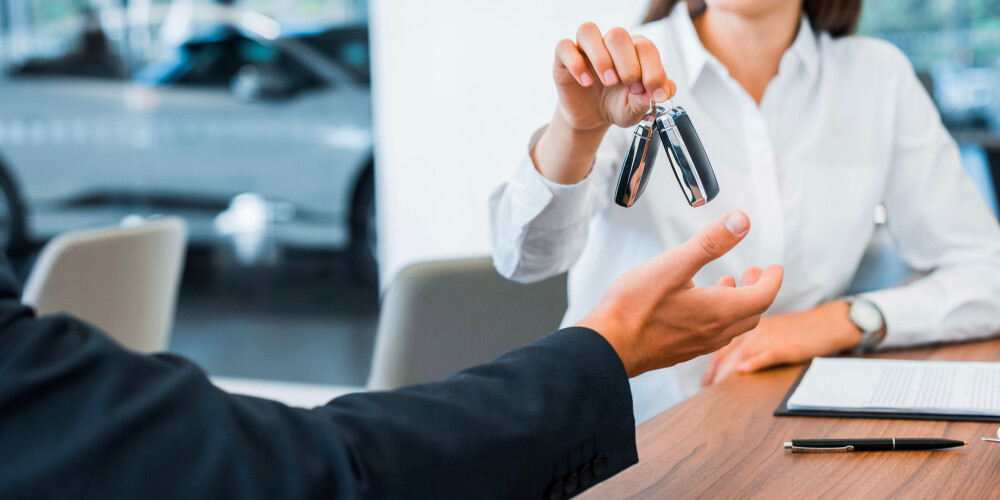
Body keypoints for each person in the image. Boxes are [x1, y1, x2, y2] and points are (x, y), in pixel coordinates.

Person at [0, 213, 782, 499]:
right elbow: (299, 472)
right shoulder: (628, 61)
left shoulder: (869, 77)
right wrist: (605, 349)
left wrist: (824, 323)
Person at [488, 0, 1000, 422]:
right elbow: (525, 257)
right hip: (624, 435)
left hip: (781, 429)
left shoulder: (877, 77)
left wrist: (839, 321)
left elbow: (988, 275)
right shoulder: (616, 71)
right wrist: (578, 131)